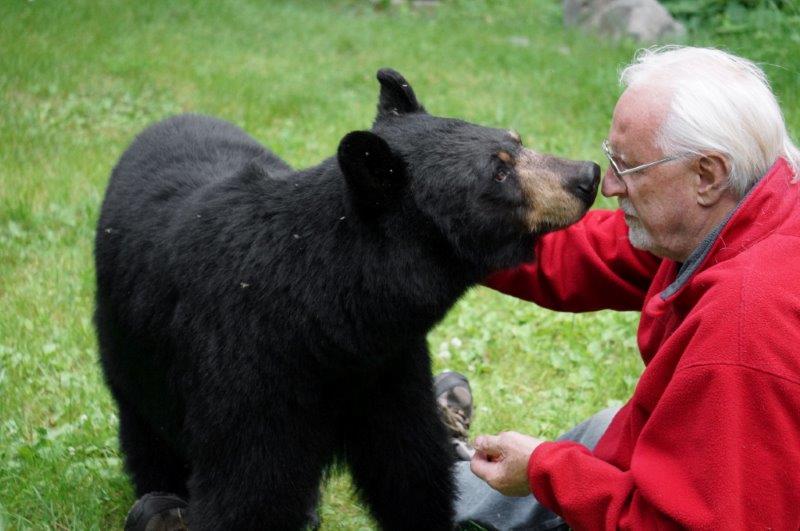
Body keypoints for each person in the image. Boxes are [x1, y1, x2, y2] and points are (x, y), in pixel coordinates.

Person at [436, 45, 800, 530]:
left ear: (707, 175)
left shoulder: (744, 330)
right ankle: (450, 465)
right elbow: (592, 254)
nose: (608, 185)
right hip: (725, 452)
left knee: (469, 489)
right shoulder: (756, 206)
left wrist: (546, 470)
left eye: (627, 167)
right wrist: (451, 234)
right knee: (608, 430)